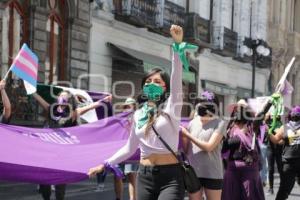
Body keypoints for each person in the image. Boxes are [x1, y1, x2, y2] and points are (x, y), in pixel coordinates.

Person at [88, 25, 185, 200]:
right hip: (145, 176)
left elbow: (177, 76)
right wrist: (106, 164)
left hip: (170, 178)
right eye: (148, 81)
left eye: (157, 81)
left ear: (166, 88)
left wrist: (176, 47)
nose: (151, 84)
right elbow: (130, 148)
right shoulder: (139, 114)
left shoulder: (172, 107)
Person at [33, 90, 112, 200]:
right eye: (61, 97)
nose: (62, 99)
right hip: (48, 153)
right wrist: (32, 91)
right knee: (44, 184)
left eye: (65, 98)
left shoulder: (72, 113)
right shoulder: (52, 109)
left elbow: (89, 107)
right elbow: (40, 100)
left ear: (69, 101)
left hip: (62, 155)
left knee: (60, 186)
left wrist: (103, 101)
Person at [180, 91, 226, 200]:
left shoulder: (220, 123)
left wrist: (187, 135)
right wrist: (183, 138)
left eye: (205, 104)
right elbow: (186, 151)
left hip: (213, 172)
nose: (202, 106)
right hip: (193, 172)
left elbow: (209, 147)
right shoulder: (192, 123)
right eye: (200, 103)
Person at [221, 99, 266, 200]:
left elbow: (263, 113)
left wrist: (272, 100)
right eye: (238, 106)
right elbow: (224, 148)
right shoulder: (229, 127)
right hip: (233, 168)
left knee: (249, 196)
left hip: (249, 168)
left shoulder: (253, 126)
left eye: (243, 107)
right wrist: (238, 135)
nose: (240, 109)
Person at [268, 105, 300, 200]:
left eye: (297, 115)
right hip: (288, 163)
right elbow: (276, 140)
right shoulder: (284, 127)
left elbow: (276, 140)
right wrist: (268, 131)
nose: (295, 117)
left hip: (292, 161)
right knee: (284, 188)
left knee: (284, 189)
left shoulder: (284, 127)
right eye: (294, 115)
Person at [265, 114, 283, 195]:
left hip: (279, 149)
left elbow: (281, 135)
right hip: (270, 149)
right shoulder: (268, 124)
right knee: (270, 169)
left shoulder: (281, 124)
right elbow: (263, 123)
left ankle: (282, 187)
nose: (274, 117)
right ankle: (271, 188)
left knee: (280, 169)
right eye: (272, 116)